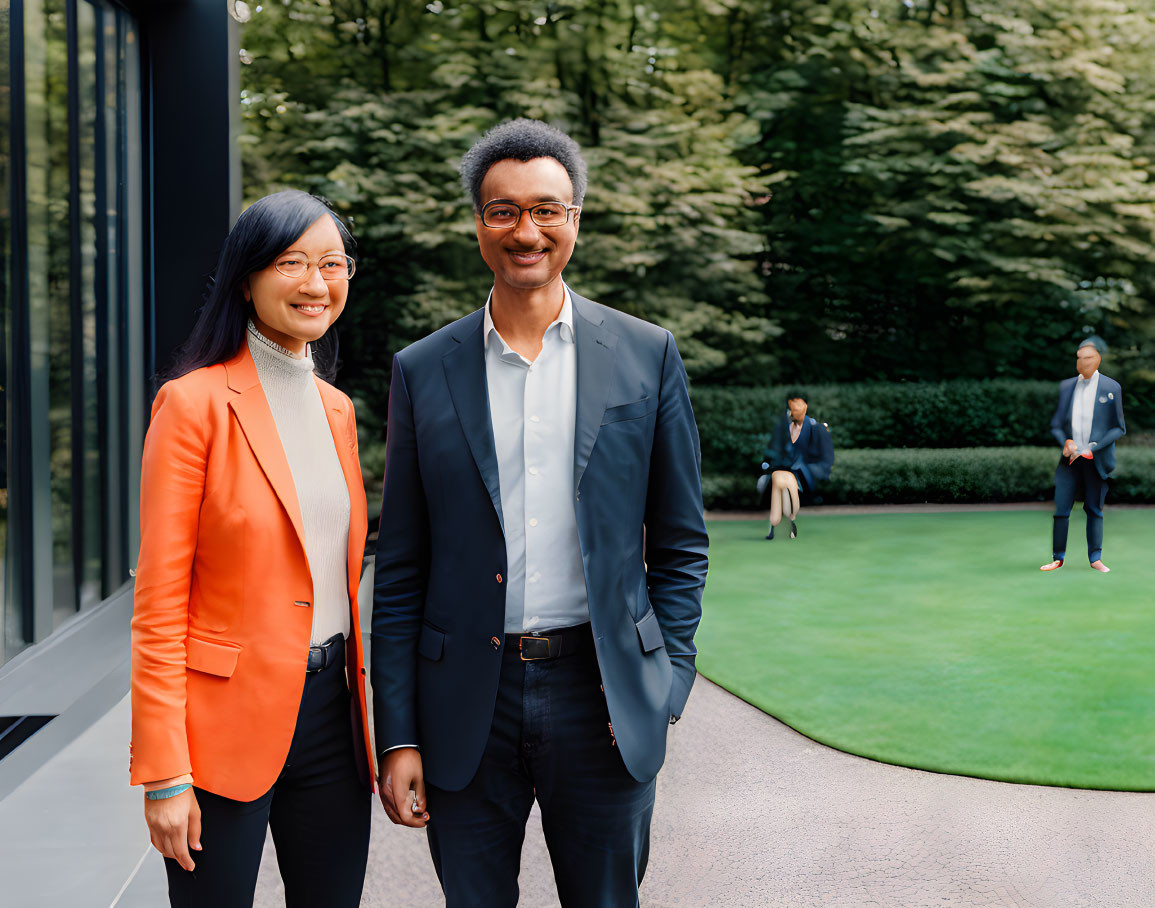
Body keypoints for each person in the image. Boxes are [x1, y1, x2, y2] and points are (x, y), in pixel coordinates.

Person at [371, 118, 709, 906]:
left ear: (574, 220)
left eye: (546, 210)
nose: (527, 231)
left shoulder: (645, 353)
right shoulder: (422, 371)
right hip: (464, 709)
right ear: (479, 225)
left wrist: (668, 683)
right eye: (504, 211)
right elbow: (402, 567)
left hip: (602, 698)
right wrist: (399, 734)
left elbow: (683, 541)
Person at [130, 190, 374, 907]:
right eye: (291, 262)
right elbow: (158, 604)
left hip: (333, 718)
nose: (315, 282)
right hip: (221, 728)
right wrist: (164, 773)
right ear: (247, 278)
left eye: (332, 263)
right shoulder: (193, 403)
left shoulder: (337, 411)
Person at [1040, 335, 1126, 573]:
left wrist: (1093, 447)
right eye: (1079, 358)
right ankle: (1058, 558)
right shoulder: (1066, 386)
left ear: (1098, 359)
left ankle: (1095, 558)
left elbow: (1119, 427)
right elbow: (1056, 424)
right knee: (1061, 509)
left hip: (1095, 460)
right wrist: (1065, 442)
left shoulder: (1111, 388)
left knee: (1094, 509)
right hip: (1069, 460)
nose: (1083, 363)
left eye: (1088, 358)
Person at [758, 391, 833, 540]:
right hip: (782, 470)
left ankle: (787, 523)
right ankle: (778, 526)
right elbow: (774, 451)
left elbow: (823, 457)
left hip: (802, 472)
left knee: (787, 494)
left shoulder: (813, 427)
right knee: (778, 492)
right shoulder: (782, 428)